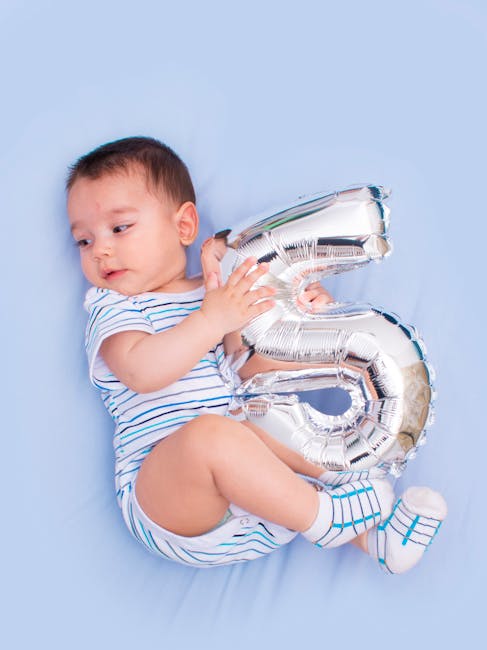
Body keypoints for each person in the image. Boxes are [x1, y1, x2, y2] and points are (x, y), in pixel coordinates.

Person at [66, 135, 447, 571]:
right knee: (211, 435)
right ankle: (327, 518)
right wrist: (210, 321)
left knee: (265, 419)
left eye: (119, 228)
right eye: (83, 241)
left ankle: (377, 539)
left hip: (263, 497)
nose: (102, 250)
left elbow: (261, 353)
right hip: (168, 501)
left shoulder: (222, 292)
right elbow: (140, 371)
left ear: (184, 226)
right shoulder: (115, 307)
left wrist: (304, 308)